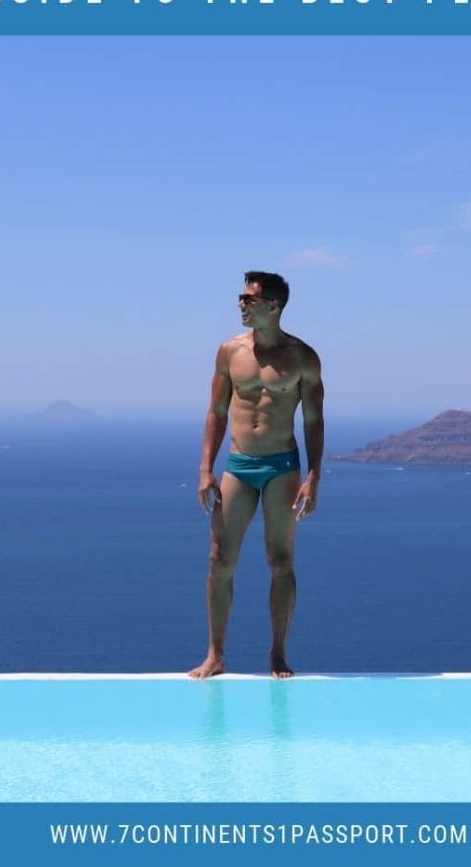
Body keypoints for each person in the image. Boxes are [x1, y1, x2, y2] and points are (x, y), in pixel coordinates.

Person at [189, 270, 324, 679]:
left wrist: (314, 477)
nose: (241, 305)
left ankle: (278, 654)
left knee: (280, 560)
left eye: (249, 299)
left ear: (273, 305)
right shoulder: (229, 352)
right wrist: (204, 469)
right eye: (241, 297)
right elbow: (216, 412)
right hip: (240, 465)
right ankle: (215, 655)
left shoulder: (303, 357)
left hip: (282, 466)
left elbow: (314, 420)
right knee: (219, 559)